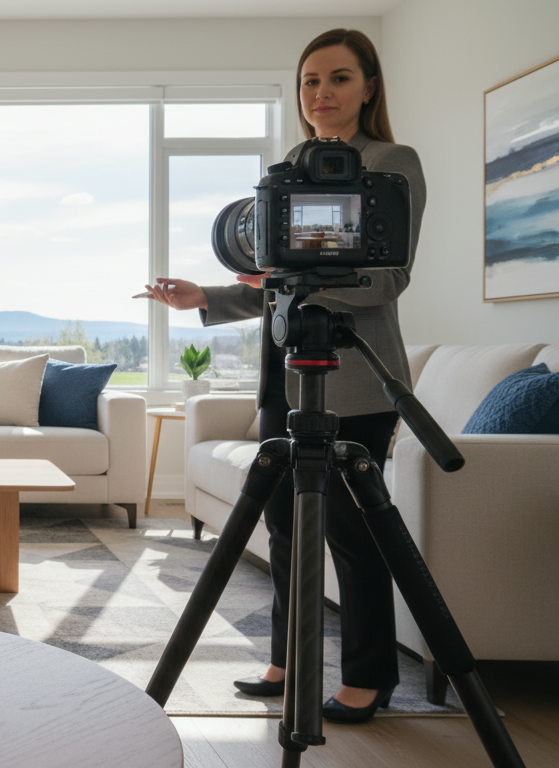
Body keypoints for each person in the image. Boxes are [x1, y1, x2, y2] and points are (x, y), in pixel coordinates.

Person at [144, 28, 426, 724]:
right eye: (309, 81)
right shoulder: (291, 165)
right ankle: (286, 657)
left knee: (352, 537)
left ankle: (367, 677)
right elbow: (283, 281)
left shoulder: (390, 162)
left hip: (356, 374)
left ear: (368, 86)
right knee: (281, 526)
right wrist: (208, 296)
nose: (321, 94)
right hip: (286, 367)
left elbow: (387, 279)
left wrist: (303, 277)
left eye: (337, 78)